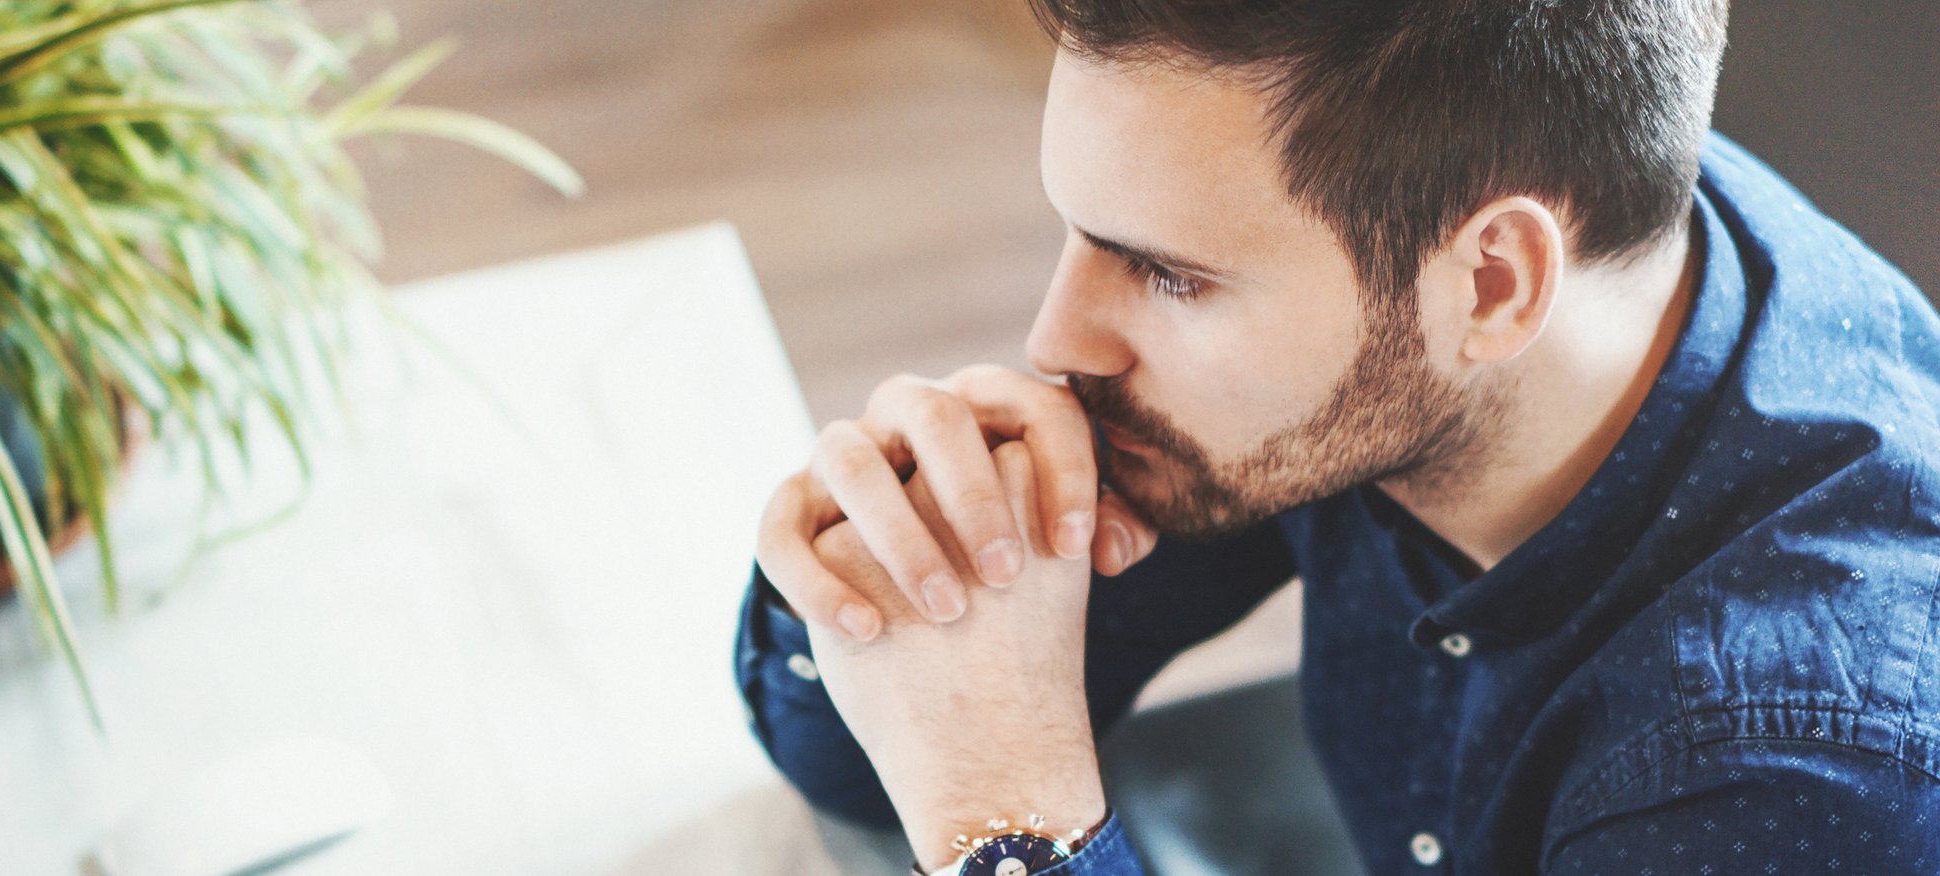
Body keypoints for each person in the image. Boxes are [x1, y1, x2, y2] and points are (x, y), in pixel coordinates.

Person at [732, 1, 1940, 874]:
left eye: (1165, 275)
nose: (1059, 338)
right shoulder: (1454, 249)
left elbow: (966, 790)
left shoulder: (1790, 778)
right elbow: (858, 770)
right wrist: (883, 561)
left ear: (1493, 286)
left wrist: (1009, 819)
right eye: (1082, 235)